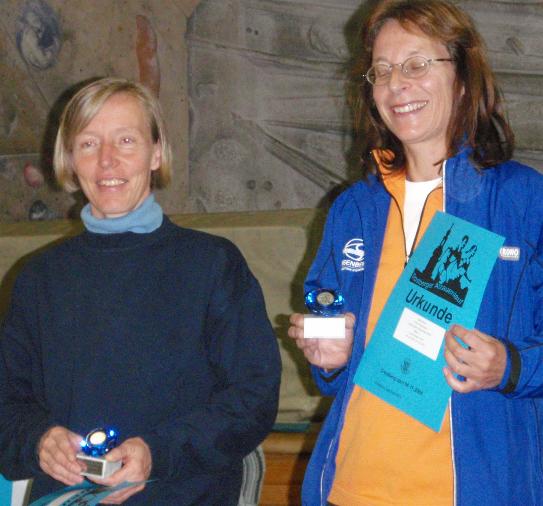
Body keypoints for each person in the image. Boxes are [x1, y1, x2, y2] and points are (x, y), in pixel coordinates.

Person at [288, 1, 543, 504]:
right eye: (381, 70)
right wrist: (330, 356)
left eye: (416, 64)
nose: (396, 84)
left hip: (472, 491)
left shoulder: (522, 200)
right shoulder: (353, 209)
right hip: (351, 489)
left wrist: (510, 366)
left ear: (463, 77)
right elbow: (335, 357)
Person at [0, 77, 281, 505]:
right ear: (70, 160)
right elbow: (7, 401)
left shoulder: (212, 265)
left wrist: (158, 453)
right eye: (89, 144)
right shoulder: (38, 278)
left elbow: (253, 398)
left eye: (126, 140)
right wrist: (39, 440)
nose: (107, 161)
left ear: (157, 153)